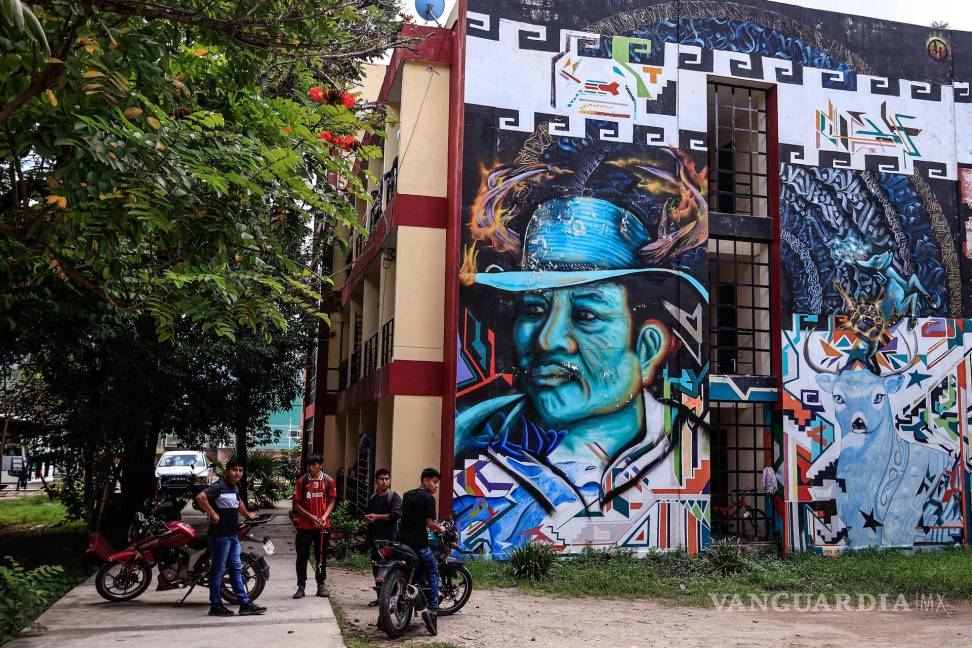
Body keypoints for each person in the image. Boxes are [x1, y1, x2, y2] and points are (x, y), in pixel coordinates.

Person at [454, 182, 707, 555]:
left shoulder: (691, 448)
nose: (548, 339)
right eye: (535, 310)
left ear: (648, 348)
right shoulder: (471, 449)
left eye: (587, 314)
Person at [195, 460, 266, 617]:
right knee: (218, 570)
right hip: (220, 536)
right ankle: (215, 605)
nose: (238, 473)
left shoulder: (234, 487)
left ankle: (245, 604)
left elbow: (238, 501)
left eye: (240, 470)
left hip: (232, 535)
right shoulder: (219, 486)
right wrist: (213, 514)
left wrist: (248, 515)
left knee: (236, 569)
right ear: (227, 471)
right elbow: (200, 497)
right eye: (234, 470)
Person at [400, 467, 443, 635]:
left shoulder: (407, 495)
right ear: (424, 481)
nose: (436, 486)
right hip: (419, 545)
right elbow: (430, 523)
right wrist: (441, 530)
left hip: (402, 543)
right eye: (434, 482)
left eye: (438, 483)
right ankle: (432, 611)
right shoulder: (428, 498)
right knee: (433, 572)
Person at [291, 454, 336, 599]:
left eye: (313, 464)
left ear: (320, 465)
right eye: (309, 464)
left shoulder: (329, 481)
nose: (310, 467)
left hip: (323, 526)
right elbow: (296, 504)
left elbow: (331, 501)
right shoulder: (302, 481)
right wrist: (310, 517)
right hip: (305, 526)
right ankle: (301, 586)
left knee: (321, 556)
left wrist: (323, 517)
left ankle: (321, 585)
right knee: (302, 557)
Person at [364, 468, 401, 606]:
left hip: (390, 540)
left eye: (387, 479)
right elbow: (369, 516)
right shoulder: (373, 498)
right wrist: (368, 519)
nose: (384, 481)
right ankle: (380, 598)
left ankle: (393, 599)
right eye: (381, 479)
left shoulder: (394, 497)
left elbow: (395, 515)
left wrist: (376, 516)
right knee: (377, 570)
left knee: (391, 569)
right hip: (375, 540)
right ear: (376, 481)